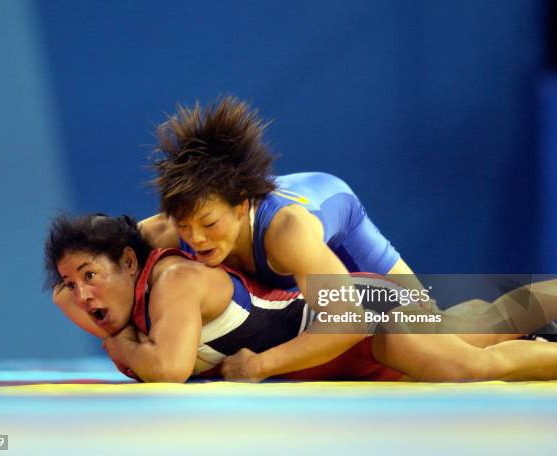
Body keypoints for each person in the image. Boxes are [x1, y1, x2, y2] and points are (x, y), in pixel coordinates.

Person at [138, 96, 532, 380]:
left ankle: (534, 312)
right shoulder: (166, 228)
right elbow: (99, 256)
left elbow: (348, 321)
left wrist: (260, 365)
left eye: (208, 223)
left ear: (241, 206)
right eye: (185, 226)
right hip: (281, 223)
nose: (197, 238)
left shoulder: (287, 233)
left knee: (436, 332)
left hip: (337, 215)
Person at [45, 213, 557, 383]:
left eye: (89, 275)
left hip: (354, 317)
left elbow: (170, 369)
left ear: (129, 261)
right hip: (333, 340)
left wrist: (122, 348)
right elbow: (63, 299)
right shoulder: (116, 294)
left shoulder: (173, 280)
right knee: (485, 320)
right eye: (71, 282)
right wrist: (86, 282)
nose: (81, 295)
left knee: (469, 367)